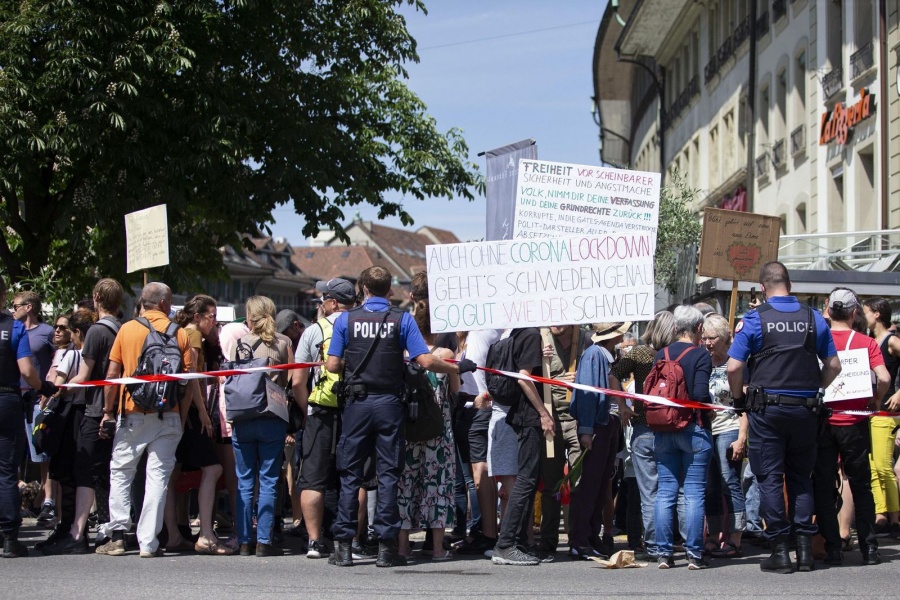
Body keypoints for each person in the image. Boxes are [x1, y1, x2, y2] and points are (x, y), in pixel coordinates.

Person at [325, 266, 474, 568]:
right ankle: (385, 549)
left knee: (350, 474)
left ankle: (343, 547)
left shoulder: (346, 320)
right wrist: (458, 367)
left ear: (363, 288)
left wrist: (355, 366)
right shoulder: (401, 319)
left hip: (357, 403)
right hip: (390, 405)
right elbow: (426, 360)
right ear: (389, 290)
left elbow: (331, 366)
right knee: (390, 475)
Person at [727, 261, 841, 574]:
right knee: (801, 477)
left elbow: (734, 368)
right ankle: (804, 550)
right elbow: (834, 365)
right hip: (805, 410)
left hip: (767, 411)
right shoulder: (813, 318)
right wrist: (813, 386)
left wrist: (739, 401)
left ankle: (780, 551)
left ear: (763, 288)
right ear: (788, 284)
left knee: (769, 478)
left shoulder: (754, 319)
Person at [96, 282, 199, 558]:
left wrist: (107, 412)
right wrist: (182, 413)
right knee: (157, 479)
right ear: (165, 304)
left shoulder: (127, 329)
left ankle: (117, 536)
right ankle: (148, 543)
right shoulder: (181, 334)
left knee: (121, 472)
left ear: (143, 302)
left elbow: (113, 375)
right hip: (170, 416)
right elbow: (189, 383)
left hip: (133, 414)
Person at [813, 288, 889, 566]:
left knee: (823, 485)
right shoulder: (866, 342)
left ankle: (833, 548)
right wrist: (875, 400)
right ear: (854, 312)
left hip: (824, 420)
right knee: (861, 485)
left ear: (829, 310)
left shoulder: (819, 339)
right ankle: (869, 548)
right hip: (855, 423)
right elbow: (883, 376)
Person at [229, 296, 299, 557]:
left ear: (250, 316)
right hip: (271, 416)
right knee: (269, 480)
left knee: (245, 481)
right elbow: (289, 379)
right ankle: (264, 541)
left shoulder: (241, 344)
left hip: (244, 417)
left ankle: (245, 540)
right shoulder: (283, 343)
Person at [294, 277, 357, 559]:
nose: (320, 304)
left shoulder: (313, 331)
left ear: (332, 303)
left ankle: (315, 542)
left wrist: (306, 410)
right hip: (355, 409)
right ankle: (352, 539)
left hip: (320, 409)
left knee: (313, 477)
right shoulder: (364, 327)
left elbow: (297, 380)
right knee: (353, 477)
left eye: (323, 299)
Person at [397, 289, 459, 560]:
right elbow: (455, 392)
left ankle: (401, 547)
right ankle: (436, 549)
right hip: (438, 429)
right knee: (437, 485)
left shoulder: (402, 353)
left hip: (408, 428)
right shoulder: (445, 354)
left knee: (406, 484)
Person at [610, 310, 677, 561]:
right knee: (670, 489)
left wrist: (622, 406)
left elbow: (613, 374)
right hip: (671, 426)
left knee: (648, 491)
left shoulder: (638, 353)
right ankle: (668, 541)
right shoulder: (675, 354)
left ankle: (653, 543)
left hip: (643, 426)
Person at [166, 294, 230, 555]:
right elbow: (192, 380)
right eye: (212, 317)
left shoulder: (187, 334)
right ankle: (205, 534)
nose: (214, 323)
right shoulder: (192, 336)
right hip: (190, 412)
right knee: (213, 469)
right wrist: (201, 414)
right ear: (197, 316)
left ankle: (173, 533)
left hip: (184, 411)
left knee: (173, 474)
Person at [0, 277, 59, 557]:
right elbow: (26, 370)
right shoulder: (13, 328)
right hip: (7, 399)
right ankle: (10, 538)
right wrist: (43, 386)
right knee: (6, 471)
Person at [653, 305, 713, 570]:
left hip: (664, 429)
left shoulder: (661, 353)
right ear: (699, 328)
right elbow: (700, 394)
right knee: (693, 493)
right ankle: (694, 554)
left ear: (676, 327)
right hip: (693, 429)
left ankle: (664, 554)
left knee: (665, 492)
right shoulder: (700, 355)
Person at [490, 327, 555, 567]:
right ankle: (506, 544)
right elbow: (523, 377)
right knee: (526, 480)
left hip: (525, 416)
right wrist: (543, 412)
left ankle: (517, 542)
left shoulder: (518, 334)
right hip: (529, 417)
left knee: (530, 479)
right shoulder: (530, 334)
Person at [568, 322, 633, 560]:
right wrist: (586, 429)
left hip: (608, 424)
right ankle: (580, 539)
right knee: (590, 486)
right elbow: (587, 393)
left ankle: (591, 537)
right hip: (597, 426)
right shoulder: (594, 355)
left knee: (600, 486)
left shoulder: (607, 355)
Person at [39, 308, 95, 555]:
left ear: (77, 333)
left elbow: (57, 387)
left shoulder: (72, 356)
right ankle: (67, 527)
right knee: (73, 473)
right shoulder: (93, 357)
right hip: (83, 415)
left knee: (65, 474)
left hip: (69, 417)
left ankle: (66, 528)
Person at [536, 324, 591, 558]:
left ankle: (578, 540)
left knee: (580, 485)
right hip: (551, 420)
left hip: (578, 420)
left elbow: (601, 378)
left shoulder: (586, 340)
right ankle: (547, 544)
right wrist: (541, 363)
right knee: (551, 486)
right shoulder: (540, 337)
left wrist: (583, 378)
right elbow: (524, 376)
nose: (556, 323)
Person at [701, 313, 747, 558]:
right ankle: (713, 535)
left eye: (712, 338)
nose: (708, 343)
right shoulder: (703, 362)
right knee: (710, 485)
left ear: (725, 338)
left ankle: (736, 537)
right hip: (707, 429)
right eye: (705, 338)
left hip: (729, 427)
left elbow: (744, 404)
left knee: (729, 481)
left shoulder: (738, 362)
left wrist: (742, 437)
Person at [11, 291, 57, 524]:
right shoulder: (12, 331)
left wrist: (48, 390)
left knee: (42, 452)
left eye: (15, 305)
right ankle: (16, 497)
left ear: (28, 307)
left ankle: (48, 500)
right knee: (13, 453)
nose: (12, 309)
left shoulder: (47, 332)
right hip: (12, 399)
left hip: (38, 399)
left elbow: (57, 359)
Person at [862, 297, 900, 539]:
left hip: (888, 412)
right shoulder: (870, 342)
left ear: (877, 314)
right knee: (874, 466)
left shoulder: (892, 341)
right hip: (871, 411)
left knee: (884, 467)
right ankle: (881, 515)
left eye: (865, 312)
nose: (863, 316)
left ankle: (895, 518)